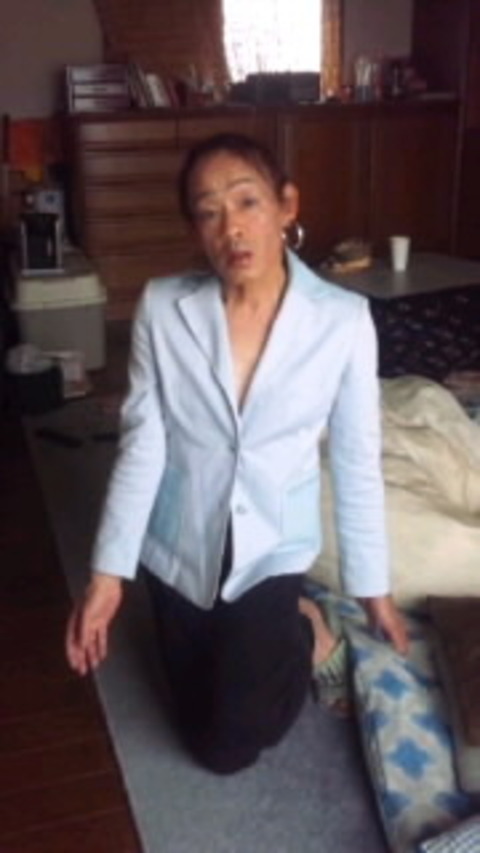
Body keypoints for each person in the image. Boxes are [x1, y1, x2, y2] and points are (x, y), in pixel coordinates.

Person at [66, 132, 408, 775]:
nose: (232, 229)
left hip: (272, 541)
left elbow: (356, 462)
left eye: (247, 202)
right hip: (181, 533)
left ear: (286, 206)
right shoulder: (163, 308)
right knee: (195, 715)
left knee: (228, 749)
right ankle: (278, 625)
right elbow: (143, 445)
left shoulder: (343, 321)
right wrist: (108, 576)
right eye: (208, 212)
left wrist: (373, 588)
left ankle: (306, 627)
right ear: (195, 230)